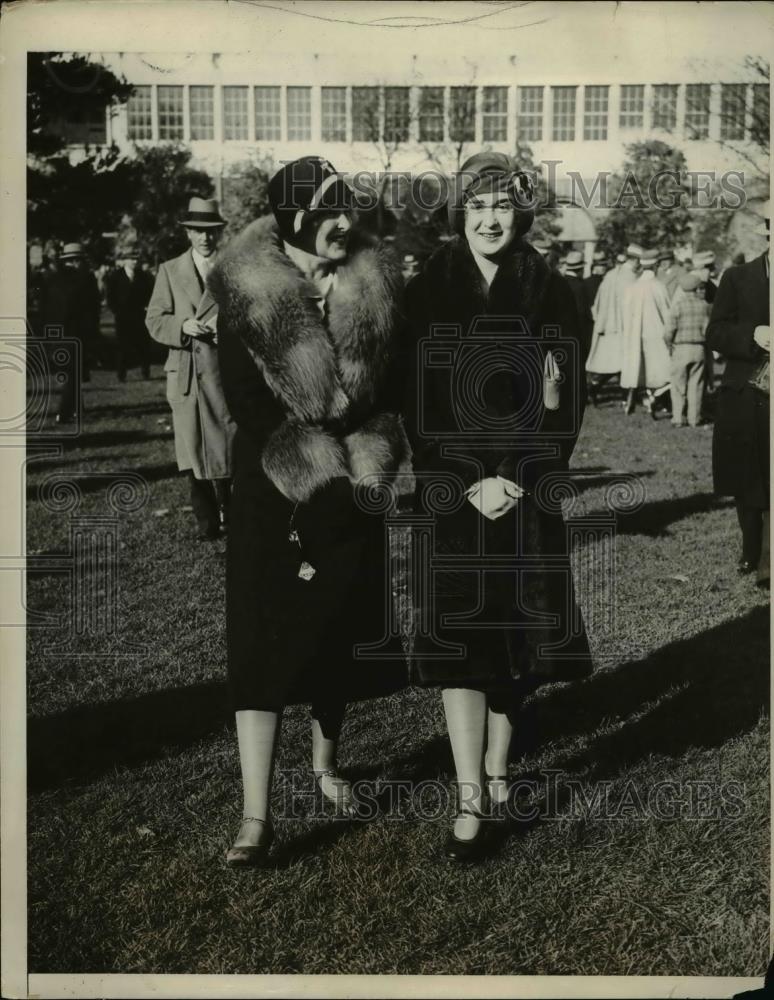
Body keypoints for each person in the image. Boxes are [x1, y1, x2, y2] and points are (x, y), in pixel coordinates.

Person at [208, 157, 408, 867]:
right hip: (278, 493)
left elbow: (395, 386)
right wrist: (320, 460)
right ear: (293, 218)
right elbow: (250, 401)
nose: (343, 225)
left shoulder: (375, 282)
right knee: (261, 649)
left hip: (354, 490)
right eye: (327, 213)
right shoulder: (244, 289)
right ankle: (256, 815)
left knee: (337, 638)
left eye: (347, 210)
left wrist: (371, 454)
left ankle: (327, 768)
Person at [404, 152, 592, 862]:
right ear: (460, 213)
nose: (489, 219)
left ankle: (501, 773)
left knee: (519, 644)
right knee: (461, 645)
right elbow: (416, 407)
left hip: (525, 491)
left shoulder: (552, 291)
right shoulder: (427, 291)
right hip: (453, 497)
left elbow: (565, 401)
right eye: (476, 206)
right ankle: (467, 798)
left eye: (502, 206)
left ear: (522, 213)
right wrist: (464, 477)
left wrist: (515, 475)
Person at [146, 198, 235, 542]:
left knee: (230, 445)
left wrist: (223, 324)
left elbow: (250, 313)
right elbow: (154, 320)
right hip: (186, 374)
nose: (205, 238)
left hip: (223, 371)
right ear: (188, 232)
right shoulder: (169, 271)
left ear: (219, 233)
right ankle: (207, 520)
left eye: (211, 231)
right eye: (198, 231)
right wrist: (183, 326)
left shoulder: (233, 269)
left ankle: (234, 511)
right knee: (192, 448)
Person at [707, 214, 769, 586]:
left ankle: (768, 559)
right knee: (749, 479)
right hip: (746, 394)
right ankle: (752, 549)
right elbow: (715, 332)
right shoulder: (737, 278)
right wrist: (753, 334)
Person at [40, 242, 101, 424]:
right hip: (77, 333)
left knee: (70, 372)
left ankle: (77, 409)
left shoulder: (51, 279)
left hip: (55, 334)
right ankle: (64, 413)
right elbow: (92, 310)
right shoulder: (86, 279)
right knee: (74, 373)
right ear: (78, 261)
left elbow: (44, 309)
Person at [585, 245, 641, 405]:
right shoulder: (629, 278)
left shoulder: (611, 275)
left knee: (613, 362)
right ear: (636, 260)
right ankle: (601, 390)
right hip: (622, 326)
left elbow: (598, 302)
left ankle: (596, 388)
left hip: (608, 325)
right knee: (621, 362)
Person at [620, 248, 672, 417]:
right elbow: (667, 313)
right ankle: (654, 397)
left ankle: (634, 396)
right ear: (656, 265)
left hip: (634, 335)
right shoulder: (659, 287)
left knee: (638, 367)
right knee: (659, 370)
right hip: (655, 334)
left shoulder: (632, 287)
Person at [663, 272, 710, 428]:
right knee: (696, 384)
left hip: (681, 348)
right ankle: (694, 418)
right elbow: (707, 329)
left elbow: (669, 330)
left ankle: (677, 417)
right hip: (699, 347)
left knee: (678, 384)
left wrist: (669, 344)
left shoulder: (677, 306)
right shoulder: (704, 306)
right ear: (697, 288)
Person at [106, 240, 154, 381]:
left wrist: (147, 306)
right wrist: (117, 311)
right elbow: (110, 296)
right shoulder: (115, 276)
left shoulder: (143, 276)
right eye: (131, 259)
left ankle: (146, 372)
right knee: (122, 346)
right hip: (123, 317)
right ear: (124, 260)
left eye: (136, 259)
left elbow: (150, 293)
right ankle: (122, 374)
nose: (134, 262)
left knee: (144, 345)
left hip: (140, 315)